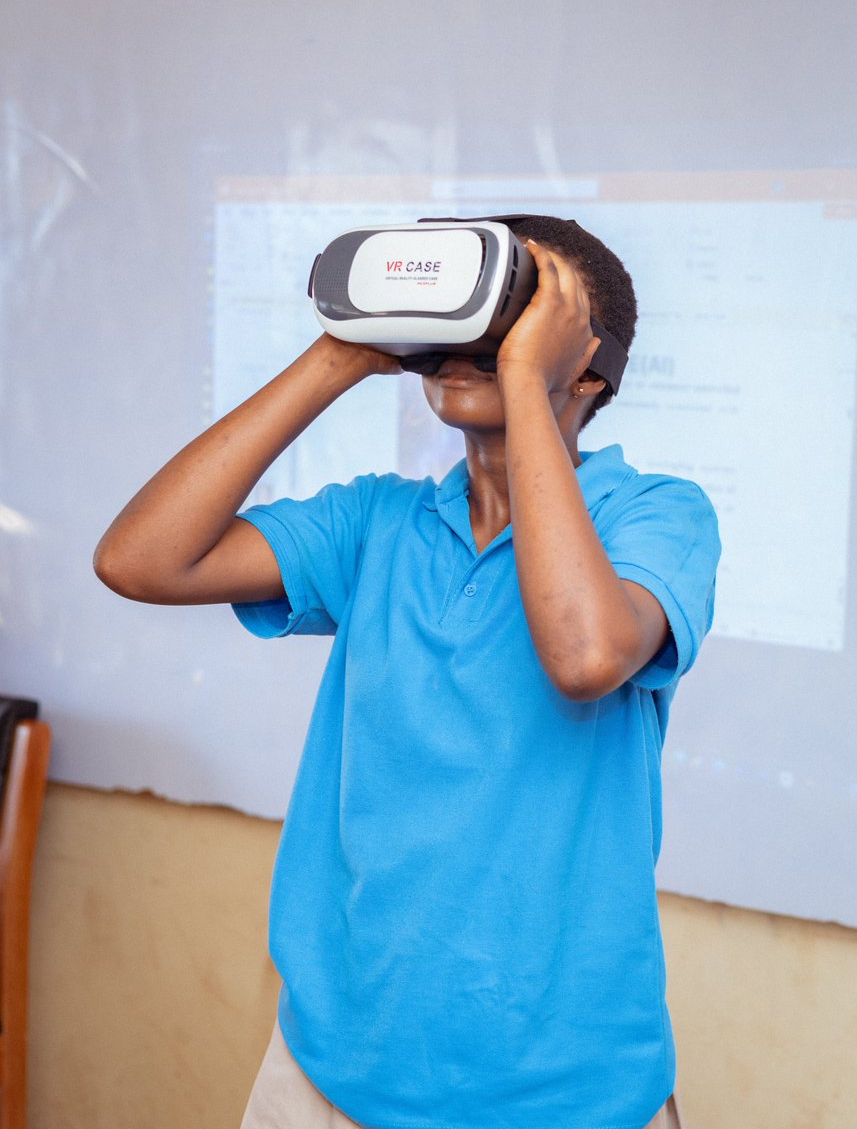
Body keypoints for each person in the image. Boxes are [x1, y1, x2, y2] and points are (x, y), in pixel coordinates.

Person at [94, 214, 720, 1129]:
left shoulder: (658, 515)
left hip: (560, 1091)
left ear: (587, 364)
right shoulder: (376, 523)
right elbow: (139, 561)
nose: (479, 342)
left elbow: (585, 655)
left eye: (517, 316)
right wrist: (337, 355)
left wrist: (522, 379)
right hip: (330, 1066)